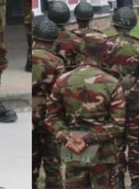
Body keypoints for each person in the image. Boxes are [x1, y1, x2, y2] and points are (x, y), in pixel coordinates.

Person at [45, 32, 125, 189]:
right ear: (105, 53)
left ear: (82, 51)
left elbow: (51, 118)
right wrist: (88, 138)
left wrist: (69, 137)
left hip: (74, 152)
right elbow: (118, 125)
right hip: (104, 155)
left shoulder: (62, 80)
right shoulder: (112, 83)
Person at [104, 7, 139, 189]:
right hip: (135, 105)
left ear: (114, 23)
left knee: (115, 143)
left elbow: (100, 76)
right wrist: (130, 95)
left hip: (111, 104)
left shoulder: (105, 45)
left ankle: (119, 181)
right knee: (136, 143)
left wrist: (116, 97)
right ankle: (136, 182)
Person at [31, 18, 65, 189]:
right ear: (52, 42)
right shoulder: (56, 62)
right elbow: (60, 94)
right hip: (48, 117)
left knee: (31, 161)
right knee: (52, 163)